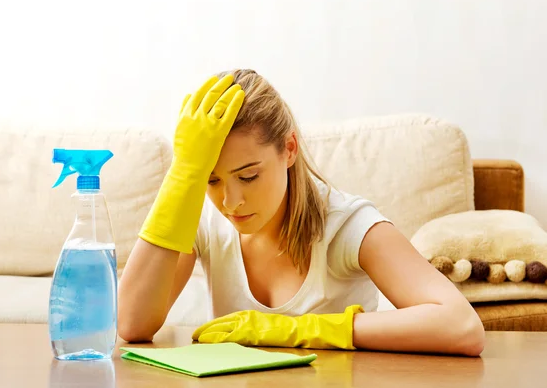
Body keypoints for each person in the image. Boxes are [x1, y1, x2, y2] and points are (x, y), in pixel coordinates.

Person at [118, 69, 485, 356]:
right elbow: (131, 324)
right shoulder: (205, 221)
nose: (231, 201)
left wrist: (304, 329)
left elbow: (462, 326)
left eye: (249, 176)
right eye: (212, 181)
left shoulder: (345, 224)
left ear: (289, 149)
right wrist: (184, 173)